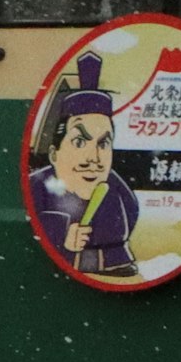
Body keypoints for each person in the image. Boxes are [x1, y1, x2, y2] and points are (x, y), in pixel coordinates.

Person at [31, 51, 142, 278]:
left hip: (117, 270)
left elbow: (131, 210)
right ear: (54, 153)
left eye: (104, 144)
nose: (94, 157)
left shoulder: (115, 188)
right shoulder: (37, 186)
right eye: (80, 142)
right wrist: (62, 238)